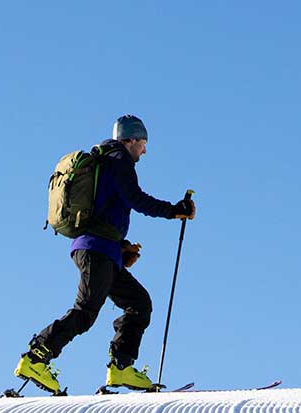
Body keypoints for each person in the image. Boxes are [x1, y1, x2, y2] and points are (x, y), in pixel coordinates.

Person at [15, 115, 195, 394]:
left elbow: (107, 208)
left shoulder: (107, 161)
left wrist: (119, 250)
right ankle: (36, 357)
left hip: (102, 249)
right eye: (143, 144)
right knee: (86, 311)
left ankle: (121, 366)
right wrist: (174, 210)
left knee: (139, 303)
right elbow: (135, 198)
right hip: (96, 249)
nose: (144, 151)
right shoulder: (119, 160)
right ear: (131, 140)